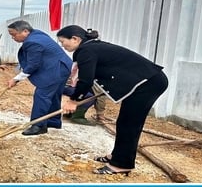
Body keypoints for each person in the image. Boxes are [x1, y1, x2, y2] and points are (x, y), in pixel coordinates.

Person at [57, 25, 168, 175]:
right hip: (145, 83)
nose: (62, 45)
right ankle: (117, 156)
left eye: (63, 41)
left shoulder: (86, 51)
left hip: (148, 84)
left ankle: (122, 164)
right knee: (123, 122)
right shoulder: (91, 48)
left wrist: (74, 100)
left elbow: (86, 80)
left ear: (75, 39)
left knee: (130, 124)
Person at [6, 20, 72, 135]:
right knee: (54, 94)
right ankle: (53, 121)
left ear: (25, 31)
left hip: (55, 70)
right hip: (63, 67)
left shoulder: (32, 42)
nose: (13, 38)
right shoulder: (37, 34)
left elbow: (33, 65)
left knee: (42, 95)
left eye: (14, 34)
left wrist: (16, 79)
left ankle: (38, 125)